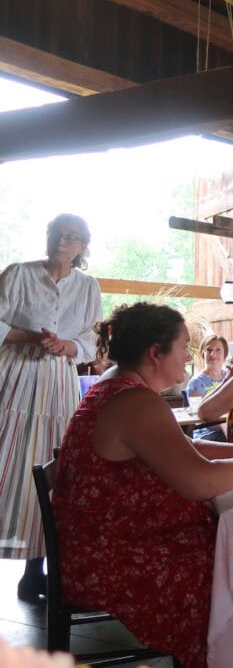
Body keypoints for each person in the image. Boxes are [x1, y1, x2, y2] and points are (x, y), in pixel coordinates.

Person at [50, 302, 233, 668]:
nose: (188, 356)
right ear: (155, 353)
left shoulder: (119, 387)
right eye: (183, 347)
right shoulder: (135, 402)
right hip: (113, 561)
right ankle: (230, 653)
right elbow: (197, 482)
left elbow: (181, 447)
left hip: (102, 544)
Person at [0, 213, 103, 601]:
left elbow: (91, 341)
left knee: (49, 465)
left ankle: (35, 571)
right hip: (13, 379)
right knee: (5, 462)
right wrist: (33, 336)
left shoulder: (88, 286)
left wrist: (67, 346)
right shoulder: (18, 274)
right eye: (56, 234)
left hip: (58, 383)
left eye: (71, 237)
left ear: (82, 247)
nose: (61, 241)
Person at [185, 334, 229, 442]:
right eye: (209, 350)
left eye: (218, 350)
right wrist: (225, 425)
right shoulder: (196, 382)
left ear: (225, 355)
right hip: (206, 434)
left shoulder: (230, 377)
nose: (213, 354)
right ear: (203, 354)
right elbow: (200, 417)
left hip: (230, 427)